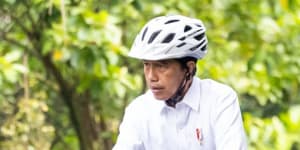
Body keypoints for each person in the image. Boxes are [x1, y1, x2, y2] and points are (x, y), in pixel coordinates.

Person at [113, 15, 247, 150]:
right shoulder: (139, 111)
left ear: (189, 68)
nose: (151, 76)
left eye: (161, 66)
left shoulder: (219, 100)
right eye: (147, 65)